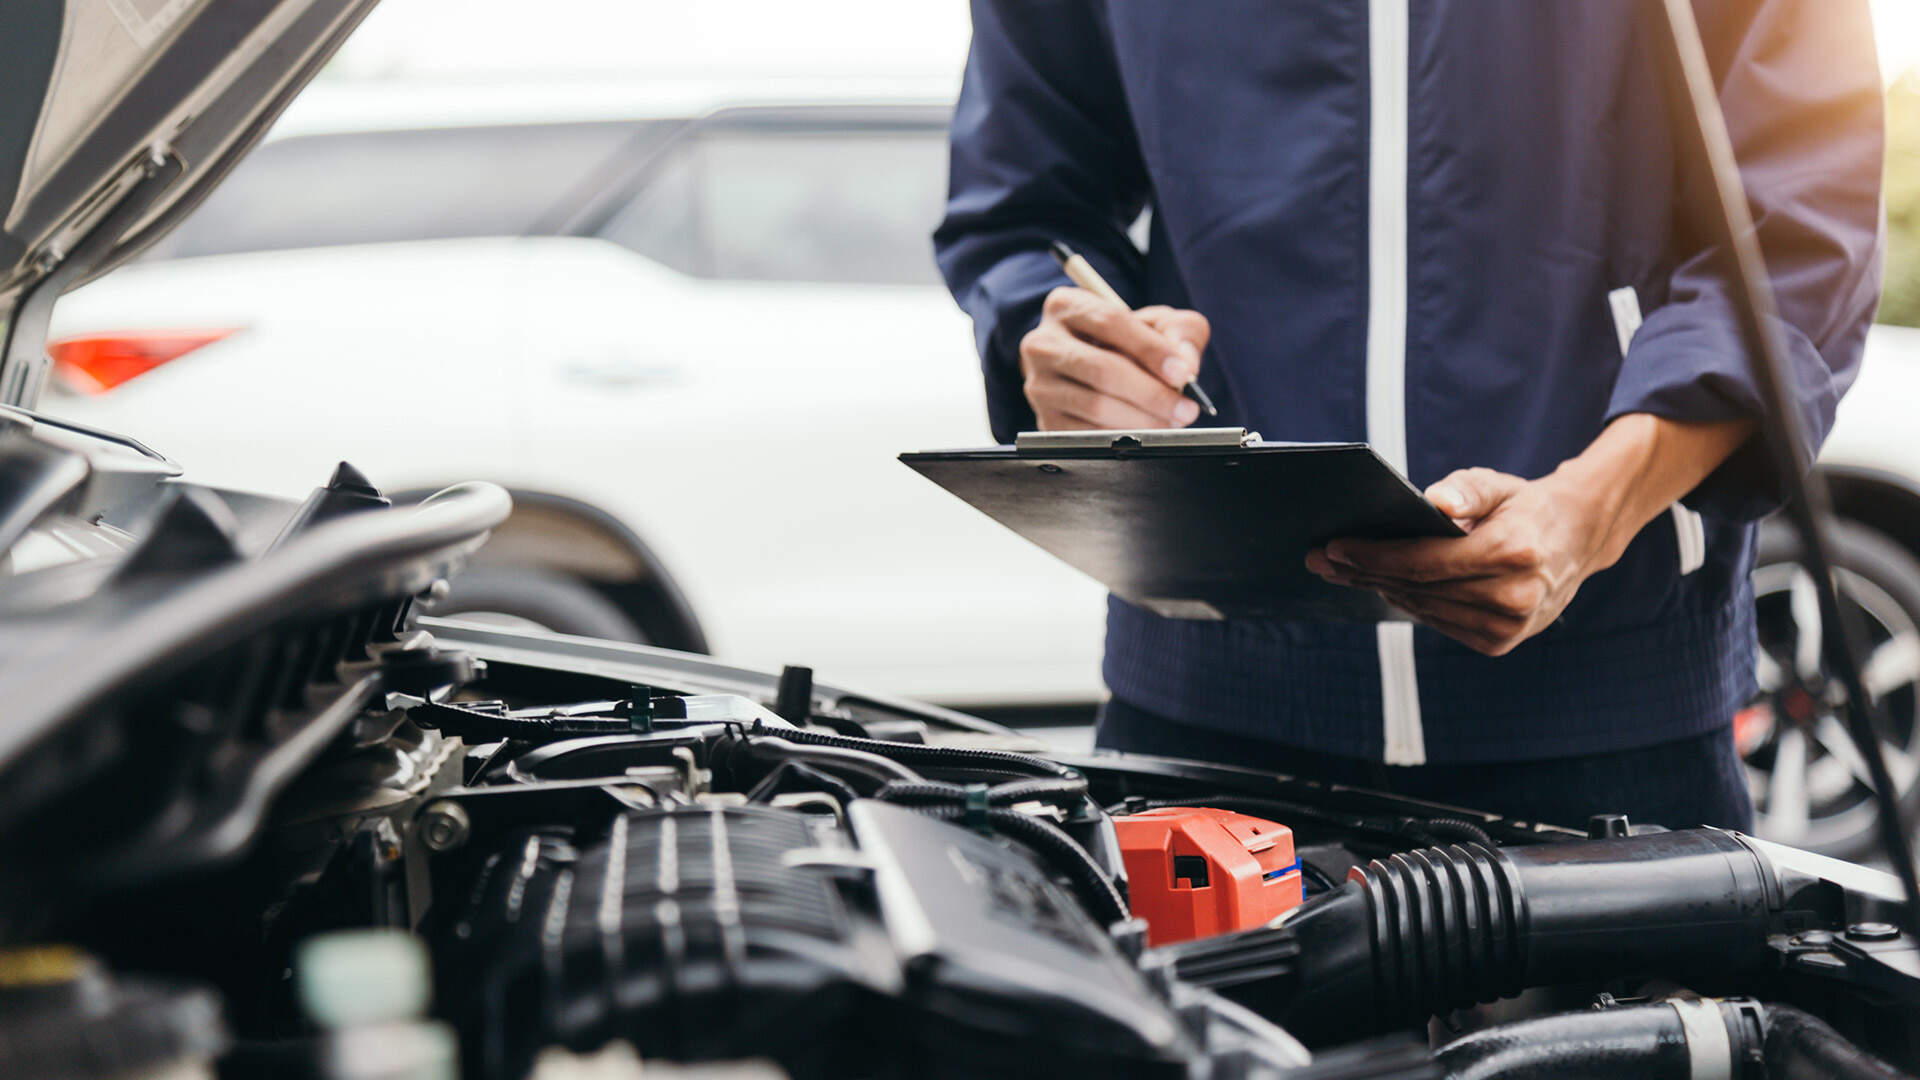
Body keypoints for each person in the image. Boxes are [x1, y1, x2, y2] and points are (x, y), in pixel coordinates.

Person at [933, 2, 1885, 831]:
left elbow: (1799, 230)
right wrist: (1062, 342)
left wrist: (1593, 506)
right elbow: (1022, 211)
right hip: (1201, 719)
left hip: (1620, 726)